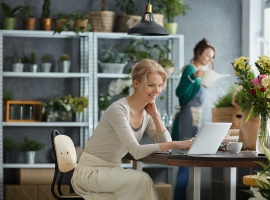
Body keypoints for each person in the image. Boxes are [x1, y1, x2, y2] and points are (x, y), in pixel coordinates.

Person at [71, 59, 193, 200]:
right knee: (142, 179)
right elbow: (135, 150)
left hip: (112, 171)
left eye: (160, 85)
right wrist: (175, 144)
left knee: (140, 183)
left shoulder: (148, 112)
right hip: (90, 173)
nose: (157, 91)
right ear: (136, 83)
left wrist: (155, 115)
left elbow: (165, 146)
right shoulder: (119, 110)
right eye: (151, 85)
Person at [172, 38, 215, 200]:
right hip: (186, 119)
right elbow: (179, 93)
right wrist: (193, 77)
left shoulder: (202, 74)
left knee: (189, 164)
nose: (210, 60)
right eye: (207, 55)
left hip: (195, 118)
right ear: (198, 53)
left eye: (212, 57)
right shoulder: (190, 69)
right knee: (185, 163)